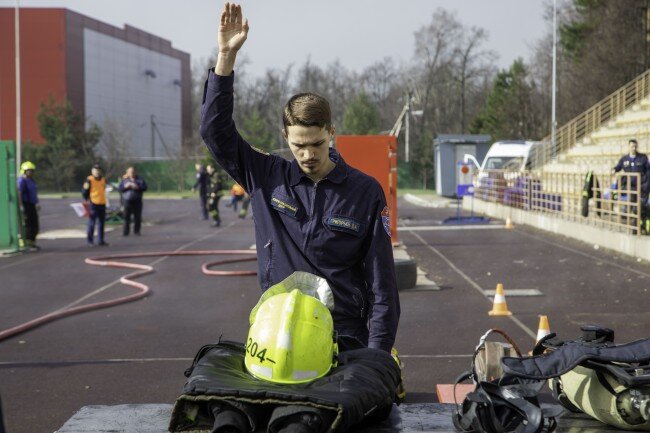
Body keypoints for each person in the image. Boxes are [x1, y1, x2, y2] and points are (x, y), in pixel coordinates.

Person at [200, 3, 399, 353]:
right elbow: (214, 131)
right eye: (299, 146)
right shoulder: (266, 175)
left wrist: (378, 356)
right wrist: (225, 58)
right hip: (276, 331)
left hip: (343, 335)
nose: (308, 155)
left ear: (331, 132)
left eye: (317, 144)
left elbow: (382, 285)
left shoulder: (364, 192)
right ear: (285, 138)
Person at [612, 139, 650, 222]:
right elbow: (618, 167)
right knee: (633, 199)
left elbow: (648, 170)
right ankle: (632, 218)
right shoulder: (624, 159)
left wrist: (647, 184)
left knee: (641, 204)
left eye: (635, 146)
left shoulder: (643, 158)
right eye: (632, 146)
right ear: (629, 147)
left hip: (641, 185)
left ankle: (637, 219)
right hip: (630, 186)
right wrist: (614, 169)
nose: (634, 148)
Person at [82, 163, 109, 246]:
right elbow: (85, 191)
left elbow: (103, 189)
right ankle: (90, 241)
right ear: (92, 171)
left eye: (98, 170)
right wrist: (87, 200)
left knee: (101, 223)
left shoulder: (103, 179)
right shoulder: (89, 180)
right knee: (91, 223)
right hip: (93, 203)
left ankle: (100, 240)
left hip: (102, 203)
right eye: (95, 170)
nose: (97, 172)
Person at [118, 166, 148, 236]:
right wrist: (126, 187)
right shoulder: (124, 180)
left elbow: (145, 187)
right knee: (126, 217)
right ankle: (126, 232)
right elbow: (120, 189)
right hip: (127, 201)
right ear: (127, 173)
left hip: (137, 201)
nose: (132, 173)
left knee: (137, 217)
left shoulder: (140, 179)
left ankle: (136, 231)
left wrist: (137, 187)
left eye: (133, 172)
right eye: (130, 172)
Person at [17, 161, 40, 250]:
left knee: (35, 224)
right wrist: (21, 205)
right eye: (29, 170)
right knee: (28, 225)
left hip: (32, 205)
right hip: (26, 205)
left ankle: (32, 243)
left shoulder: (32, 180)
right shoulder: (21, 180)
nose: (31, 172)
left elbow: (34, 193)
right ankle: (26, 243)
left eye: (32, 170)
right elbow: (19, 193)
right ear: (24, 171)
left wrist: (37, 203)